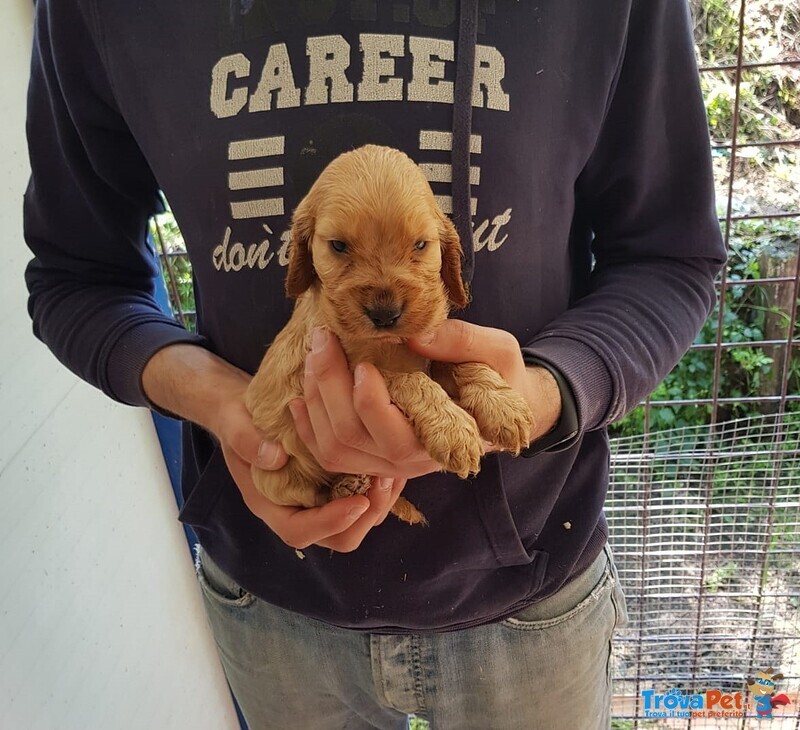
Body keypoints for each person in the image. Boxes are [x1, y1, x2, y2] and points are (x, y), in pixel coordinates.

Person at [23, 1, 726, 728]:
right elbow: (76, 277)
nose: (386, 292)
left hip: (534, 592)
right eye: (339, 251)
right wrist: (236, 413)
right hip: (271, 601)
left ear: (446, 251)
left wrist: (549, 391)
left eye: (419, 250)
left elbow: (669, 258)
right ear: (306, 251)